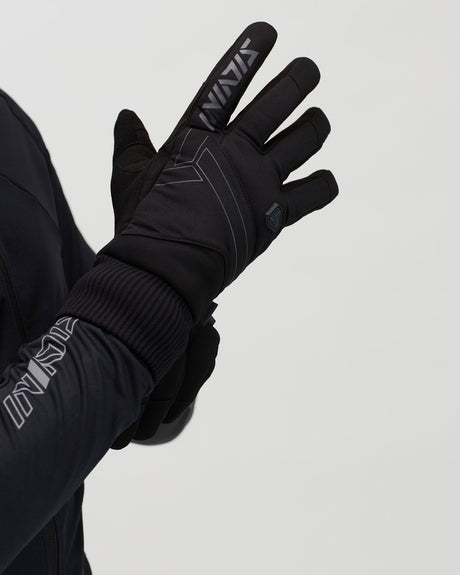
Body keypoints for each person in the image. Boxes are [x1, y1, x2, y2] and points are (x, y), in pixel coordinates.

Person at [0, 21, 338, 574]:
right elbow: (108, 331)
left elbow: (79, 357)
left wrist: (170, 313)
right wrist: (137, 301)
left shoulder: (6, 130)